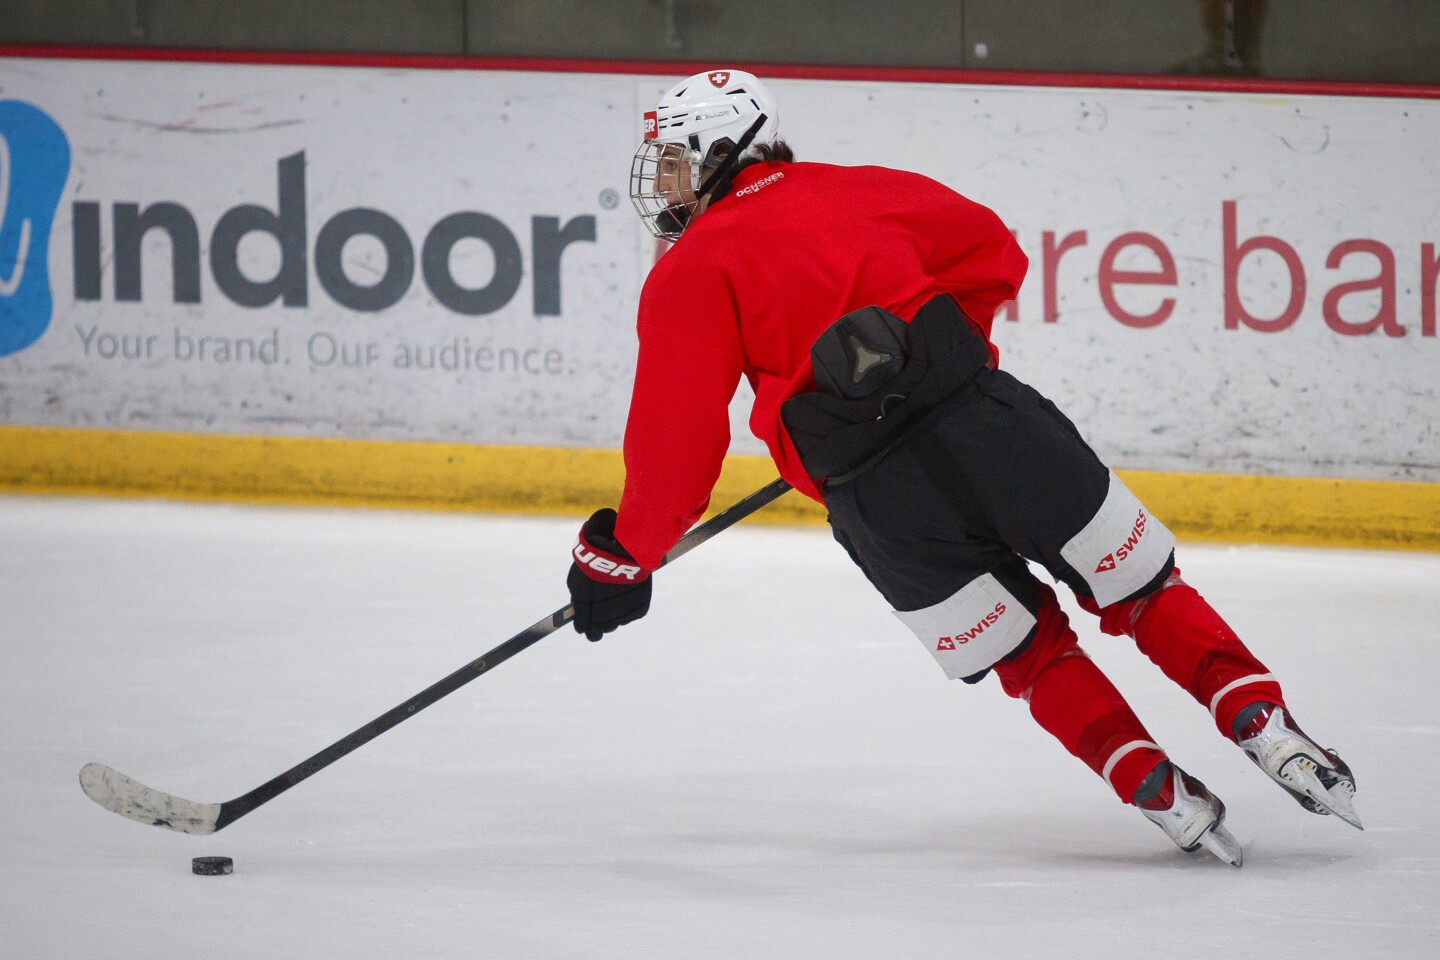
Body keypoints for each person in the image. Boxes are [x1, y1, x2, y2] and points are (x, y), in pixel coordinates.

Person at [565, 69, 1359, 866]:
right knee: (1144, 592)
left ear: (720, 147)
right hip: (998, 433)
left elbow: (676, 454)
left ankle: (1158, 790)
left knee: (1031, 654)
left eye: (673, 161)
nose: (664, 183)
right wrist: (934, 362)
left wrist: (624, 556)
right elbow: (993, 254)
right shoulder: (861, 190)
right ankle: (1260, 720)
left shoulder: (689, 268)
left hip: (879, 503)